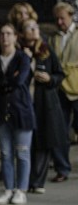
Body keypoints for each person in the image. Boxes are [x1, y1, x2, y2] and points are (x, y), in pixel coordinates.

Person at [0, 24, 36, 205]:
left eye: (8, 34)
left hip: (21, 111)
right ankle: (8, 188)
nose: (4, 37)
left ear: (15, 37)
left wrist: (1, 81)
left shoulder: (22, 58)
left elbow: (20, 80)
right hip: (1, 111)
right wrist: (6, 80)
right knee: (6, 153)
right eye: (1, 34)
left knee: (22, 152)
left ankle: (21, 189)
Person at [21, 18, 68, 194]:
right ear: (22, 33)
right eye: (29, 28)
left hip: (45, 104)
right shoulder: (20, 52)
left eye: (35, 28)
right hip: (26, 103)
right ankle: (25, 180)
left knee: (44, 141)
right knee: (27, 143)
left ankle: (37, 182)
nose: (33, 31)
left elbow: (59, 74)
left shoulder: (46, 51)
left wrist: (50, 79)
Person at [50, 1, 78, 177]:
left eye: (62, 18)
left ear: (71, 16)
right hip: (60, 89)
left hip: (76, 88)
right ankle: (62, 168)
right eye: (57, 19)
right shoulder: (54, 38)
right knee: (59, 131)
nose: (59, 22)